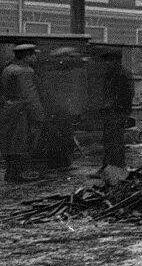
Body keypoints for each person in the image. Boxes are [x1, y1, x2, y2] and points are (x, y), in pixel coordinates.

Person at [1, 44, 48, 182]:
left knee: (10, 142)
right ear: (27, 56)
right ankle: (17, 174)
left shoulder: (8, 69)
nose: (35, 58)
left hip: (9, 109)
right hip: (22, 112)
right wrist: (39, 115)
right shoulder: (25, 71)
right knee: (21, 142)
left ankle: (11, 172)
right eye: (33, 55)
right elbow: (30, 95)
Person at [44, 47, 86, 172]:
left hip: (62, 111)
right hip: (60, 111)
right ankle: (61, 164)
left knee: (62, 137)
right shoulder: (57, 74)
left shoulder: (57, 72)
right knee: (61, 137)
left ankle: (61, 163)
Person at [99, 49, 133, 170]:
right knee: (108, 140)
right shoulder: (110, 74)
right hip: (110, 112)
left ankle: (117, 167)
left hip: (118, 112)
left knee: (116, 141)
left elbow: (128, 95)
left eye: (110, 60)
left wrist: (123, 113)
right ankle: (107, 166)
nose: (107, 63)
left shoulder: (123, 74)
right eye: (107, 61)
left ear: (117, 61)